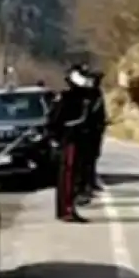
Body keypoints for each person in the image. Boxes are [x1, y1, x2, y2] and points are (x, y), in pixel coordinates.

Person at [47, 65, 92, 223]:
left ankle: (69, 207)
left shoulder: (83, 97)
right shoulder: (67, 98)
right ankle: (65, 210)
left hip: (78, 141)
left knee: (74, 176)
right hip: (69, 141)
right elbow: (55, 121)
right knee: (67, 176)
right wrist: (57, 138)